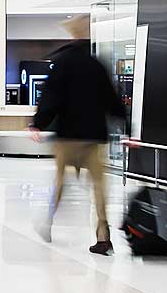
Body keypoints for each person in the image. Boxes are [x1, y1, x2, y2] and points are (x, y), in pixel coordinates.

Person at [30, 38, 129, 255]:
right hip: (93, 137)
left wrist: (38, 123)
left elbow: (51, 97)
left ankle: (48, 222)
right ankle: (103, 238)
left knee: (60, 181)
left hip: (68, 137)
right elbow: (112, 99)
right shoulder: (96, 66)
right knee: (98, 187)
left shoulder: (62, 65)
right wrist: (126, 127)